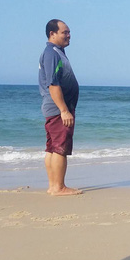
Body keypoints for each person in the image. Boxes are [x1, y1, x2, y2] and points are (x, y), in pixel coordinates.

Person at [38, 19, 82, 195]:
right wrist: (64, 110)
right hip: (58, 109)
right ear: (52, 34)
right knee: (60, 148)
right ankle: (59, 187)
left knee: (52, 148)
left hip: (55, 109)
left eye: (69, 32)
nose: (69, 35)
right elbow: (53, 84)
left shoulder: (57, 52)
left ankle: (53, 186)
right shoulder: (52, 53)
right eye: (65, 32)